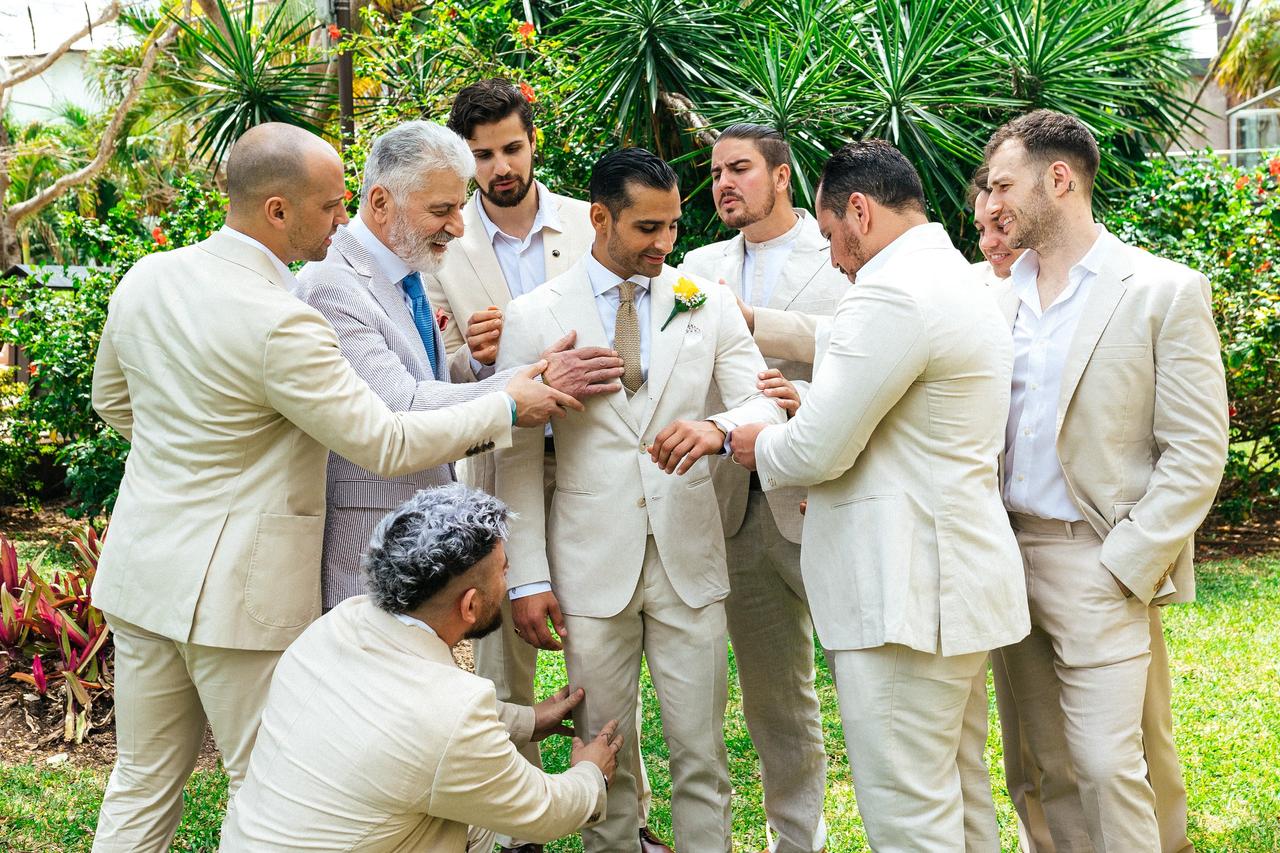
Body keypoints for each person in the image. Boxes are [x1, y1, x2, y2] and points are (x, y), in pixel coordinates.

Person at [88, 122, 577, 853]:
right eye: (328, 206)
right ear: (276, 210)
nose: (342, 219)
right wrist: (508, 407)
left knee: (140, 780)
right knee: (267, 781)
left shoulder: (146, 279)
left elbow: (113, 404)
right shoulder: (286, 319)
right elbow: (383, 438)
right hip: (239, 597)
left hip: (141, 573)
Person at [729, 140, 1030, 849]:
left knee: (906, 817)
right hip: (951, 588)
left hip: (902, 596)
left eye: (833, 236)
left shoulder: (890, 291)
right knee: (960, 800)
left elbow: (818, 450)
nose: (835, 257)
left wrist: (753, 444)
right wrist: (812, 396)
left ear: (859, 211)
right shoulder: (957, 278)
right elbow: (903, 414)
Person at [495, 147, 786, 853]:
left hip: (690, 556)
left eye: (672, 226)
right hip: (592, 568)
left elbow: (768, 406)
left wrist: (717, 428)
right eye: (647, 228)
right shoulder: (533, 315)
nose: (665, 244)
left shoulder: (705, 301)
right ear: (600, 218)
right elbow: (516, 463)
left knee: (702, 754)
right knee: (604, 752)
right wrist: (528, 578)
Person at [424, 79, 664, 853]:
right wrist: (480, 359)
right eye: (483, 155)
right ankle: (513, 829)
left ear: (533, 142)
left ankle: (621, 814)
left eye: (511, 148)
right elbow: (437, 370)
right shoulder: (446, 243)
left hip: (602, 456)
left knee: (603, 646)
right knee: (504, 648)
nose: (500, 167)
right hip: (506, 461)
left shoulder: (588, 216)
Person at [982, 109, 1228, 852]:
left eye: (1003, 185)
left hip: (1097, 557)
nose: (991, 203)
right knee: (1042, 762)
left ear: (1058, 179)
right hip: (1001, 553)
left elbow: (1196, 450)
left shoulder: (1163, 291)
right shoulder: (989, 291)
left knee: (1106, 761)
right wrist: (749, 320)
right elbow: (867, 333)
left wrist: (1124, 562)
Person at [295, 120, 620, 611]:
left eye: (458, 206)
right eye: (442, 210)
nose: (458, 225)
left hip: (416, 532)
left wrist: (476, 364)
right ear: (380, 203)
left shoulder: (407, 266)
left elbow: (426, 382)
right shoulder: (331, 283)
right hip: (366, 541)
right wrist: (525, 387)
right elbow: (401, 407)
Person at [220, 484, 621, 852]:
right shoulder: (450, 714)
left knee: (473, 825)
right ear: (469, 605)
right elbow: (542, 810)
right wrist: (591, 773)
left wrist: (529, 720)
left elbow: (415, 718)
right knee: (471, 821)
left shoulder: (338, 625)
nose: (508, 577)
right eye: (503, 570)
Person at [679, 123, 843, 853]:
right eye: (715, 172)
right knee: (775, 701)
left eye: (739, 168)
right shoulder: (696, 264)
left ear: (781, 175)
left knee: (870, 691)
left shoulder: (838, 250)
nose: (723, 183)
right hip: (734, 511)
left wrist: (755, 322)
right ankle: (797, 841)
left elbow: (857, 337)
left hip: (826, 497)